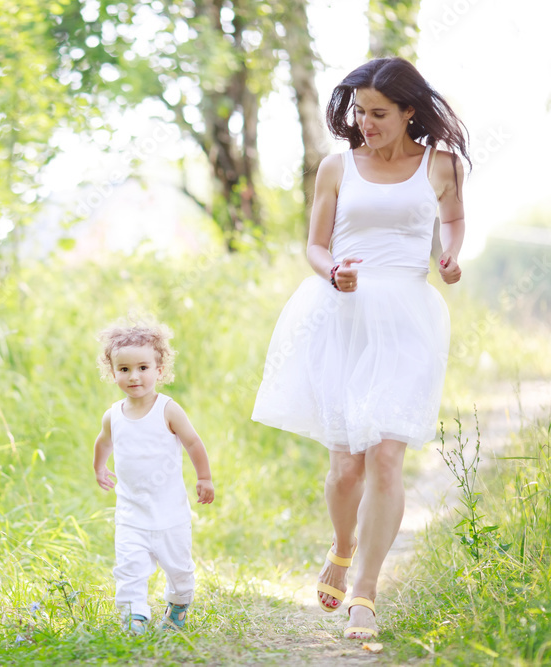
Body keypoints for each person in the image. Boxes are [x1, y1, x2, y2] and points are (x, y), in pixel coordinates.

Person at [252, 57, 469, 640]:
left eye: (378, 113)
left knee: (386, 456)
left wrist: (449, 257)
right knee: (345, 467)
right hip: (341, 317)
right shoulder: (336, 167)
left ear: (408, 112)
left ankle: (365, 593)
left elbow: (452, 221)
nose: (365, 123)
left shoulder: (442, 165)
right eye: (358, 112)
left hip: (407, 321)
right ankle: (343, 546)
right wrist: (333, 274)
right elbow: (315, 246)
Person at [92, 320, 215, 634]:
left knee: (180, 570)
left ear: (159, 370)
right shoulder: (113, 415)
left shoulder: (168, 410)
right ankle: (135, 615)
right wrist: (100, 467)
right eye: (124, 369)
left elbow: (193, 442)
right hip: (131, 513)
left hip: (170, 515)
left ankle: (178, 606)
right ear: (113, 372)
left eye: (143, 367)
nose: (134, 376)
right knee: (129, 568)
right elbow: (103, 441)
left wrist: (204, 478)